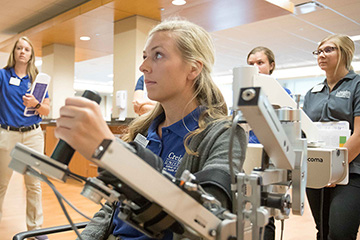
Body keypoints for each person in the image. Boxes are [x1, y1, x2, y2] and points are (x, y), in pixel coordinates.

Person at [54, 19, 247, 240]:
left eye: (158, 55)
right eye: (145, 56)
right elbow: (111, 207)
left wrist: (113, 153)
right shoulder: (142, 130)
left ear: (193, 68)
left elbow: (208, 216)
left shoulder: (223, 134)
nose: (143, 66)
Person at [303, 34, 360, 240]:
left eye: (328, 50)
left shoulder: (357, 85)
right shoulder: (312, 93)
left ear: (346, 54)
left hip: (351, 170)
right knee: (323, 231)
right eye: (318, 51)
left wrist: (336, 169)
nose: (321, 55)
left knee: (340, 232)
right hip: (317, 169)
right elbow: (306, 132)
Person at [0, 36, 50, 240]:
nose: (22, 51)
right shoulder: (3, 75)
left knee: (34, 184)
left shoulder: (38, 78)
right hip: (7, 134)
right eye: (19, 48)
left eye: (26, 49)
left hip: (32, 135)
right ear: (13, 53)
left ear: (31, 55)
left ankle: (35, 229)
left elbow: (46, 110)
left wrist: (36, 104)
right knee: (1, 184)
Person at [246, 46, 290, 240]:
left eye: (260, 63)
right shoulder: (245, 95)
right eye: (250, 64)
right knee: (246, 214)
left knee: (266, 216)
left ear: (271, 66)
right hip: (247, 160)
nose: (255, 67)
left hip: (271, 164)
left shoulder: (283, 95)